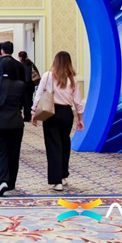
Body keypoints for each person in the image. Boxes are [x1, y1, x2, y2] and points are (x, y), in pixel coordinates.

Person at [31, 51, 85, 191]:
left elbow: (38, 95)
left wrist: (33, 112)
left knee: (53, 145)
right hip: (67, 113)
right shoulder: (72, 78)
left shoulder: (47, 75)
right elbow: (78, 101)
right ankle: (63, 175)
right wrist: (80, 118)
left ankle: (57, 181)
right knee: (65, 143)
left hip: (51, 113)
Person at [0, 48, 27, 197]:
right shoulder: (20, 85)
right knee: (13, 153)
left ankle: (2, 180)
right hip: (16, 123)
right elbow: (25, 104)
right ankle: (11, 182)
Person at [18, 50, 39, 122]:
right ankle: (28, 116)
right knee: (29, 100)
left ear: (21, 57)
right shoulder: (31, 63)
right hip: (30, 85)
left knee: (23, 101)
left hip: (23, 85)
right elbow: (36, 72)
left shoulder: (20, 65)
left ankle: (25, 116)